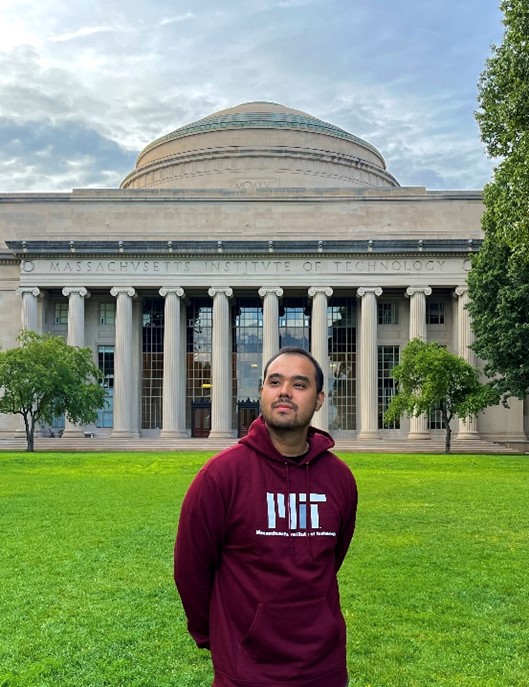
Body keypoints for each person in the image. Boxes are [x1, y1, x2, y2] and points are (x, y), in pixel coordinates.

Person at [174, 346, 358, 687]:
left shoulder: (340, 479)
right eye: (275, 381)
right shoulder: (221, 476)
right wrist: (219, 637)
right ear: (262, 392)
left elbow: (331, 559)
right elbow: (191, 570)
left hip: (324, 670)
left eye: (299, 384)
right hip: (246, 671)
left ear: (319, 399)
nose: (285, 391)